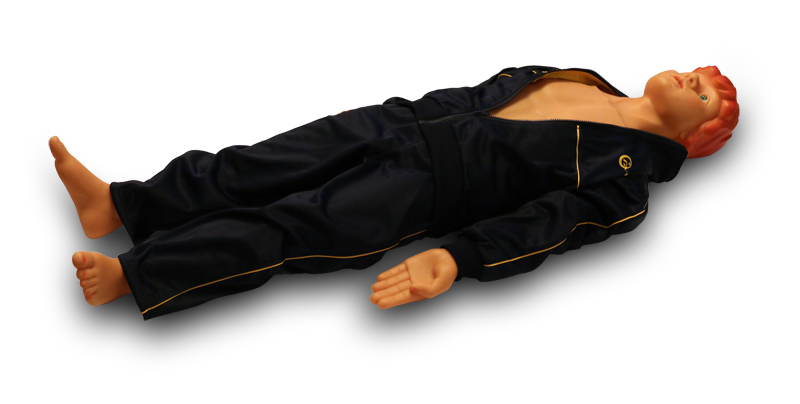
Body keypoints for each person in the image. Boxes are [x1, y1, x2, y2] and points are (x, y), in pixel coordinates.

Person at [50, 64, 739, 320]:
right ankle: (120, 204)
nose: (688, 78)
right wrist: (411, 112)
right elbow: (483, 92)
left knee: (286, 228)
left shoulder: (624, 183)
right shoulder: (583, 77)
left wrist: (458, 258)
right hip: (401, 124)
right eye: (695, 70)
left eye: (704, 93)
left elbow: (544, 227)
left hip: (424, 191)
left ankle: (137, 276)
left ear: (696, 136)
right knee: (258, 164)